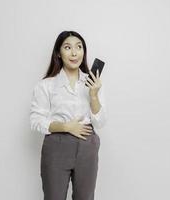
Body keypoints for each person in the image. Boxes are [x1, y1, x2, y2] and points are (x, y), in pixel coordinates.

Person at [30, 30, 107, 200]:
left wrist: (93, 95)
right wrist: (65, 127)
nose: (74, 53)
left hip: (87, 146)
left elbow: (100, 122)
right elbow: (35, 120)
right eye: (68, 47)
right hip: (57, 145)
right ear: (58, 53)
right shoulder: (46, 85)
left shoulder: (92, 82)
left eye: (79, 47)